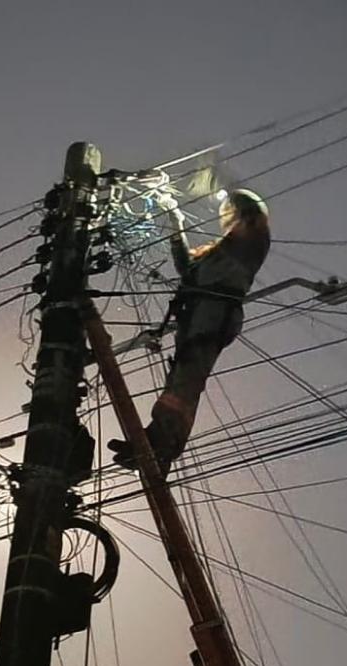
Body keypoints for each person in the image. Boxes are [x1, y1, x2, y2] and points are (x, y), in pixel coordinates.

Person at [109, 188, 271, 477]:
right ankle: (154, 439)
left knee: (187, 380)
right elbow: (185, 265)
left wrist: (237, 195)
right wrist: (175, 217)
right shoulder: (215, 255)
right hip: (197, 317)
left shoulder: (248, 247)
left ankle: (164, 445)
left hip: (215, 316)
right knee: (179, 379)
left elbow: (255, 223)